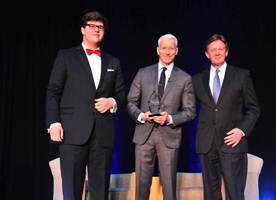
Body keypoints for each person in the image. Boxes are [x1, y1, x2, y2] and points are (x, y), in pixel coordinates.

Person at [46, 11, 126, 200]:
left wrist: (112, 102)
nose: (96, 30)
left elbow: (122, 94)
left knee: (100, 191)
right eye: (91, 26)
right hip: (72, 132)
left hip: (103, 134)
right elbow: (52, 92)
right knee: (71, 191)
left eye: (100, 27)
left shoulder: (113, 61)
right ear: (83, 29)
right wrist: (54, 123)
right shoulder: (66, 56)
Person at [127, 34, 196, 200]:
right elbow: (130, 102)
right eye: (164, 48)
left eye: (171, 48)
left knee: (169, 189)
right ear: (158, 50)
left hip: (169, 137)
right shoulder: (143, 73)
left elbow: (190, 111)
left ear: (176, 51)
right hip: (144, 135)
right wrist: (142, 115)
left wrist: (170, 118)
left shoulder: (185, 78)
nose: (167, 51)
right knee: (141, 189)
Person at [192, 34, 260, 200]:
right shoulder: (196, 79)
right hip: (206, 143)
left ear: (226, 52)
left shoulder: (241, 75)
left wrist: (242, 131)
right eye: (213, 50)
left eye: (220, 49)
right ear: (207, 54)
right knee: (210, 194)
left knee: (235, 193)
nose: (217, 53)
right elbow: (187, 108)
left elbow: (254, 109)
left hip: (232, 141)